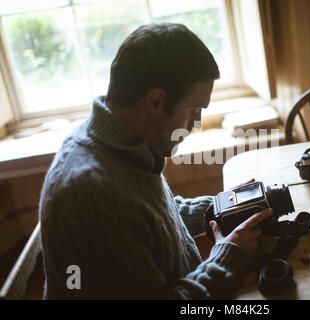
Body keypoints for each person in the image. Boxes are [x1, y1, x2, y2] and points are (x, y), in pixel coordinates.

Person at [39, 23, 272, 299]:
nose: (195, 124)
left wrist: (224, 208)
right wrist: (228, 256)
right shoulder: (93, 195)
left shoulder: (121, 142)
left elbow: (154, 216)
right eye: (194, 111)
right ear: (156, 101)